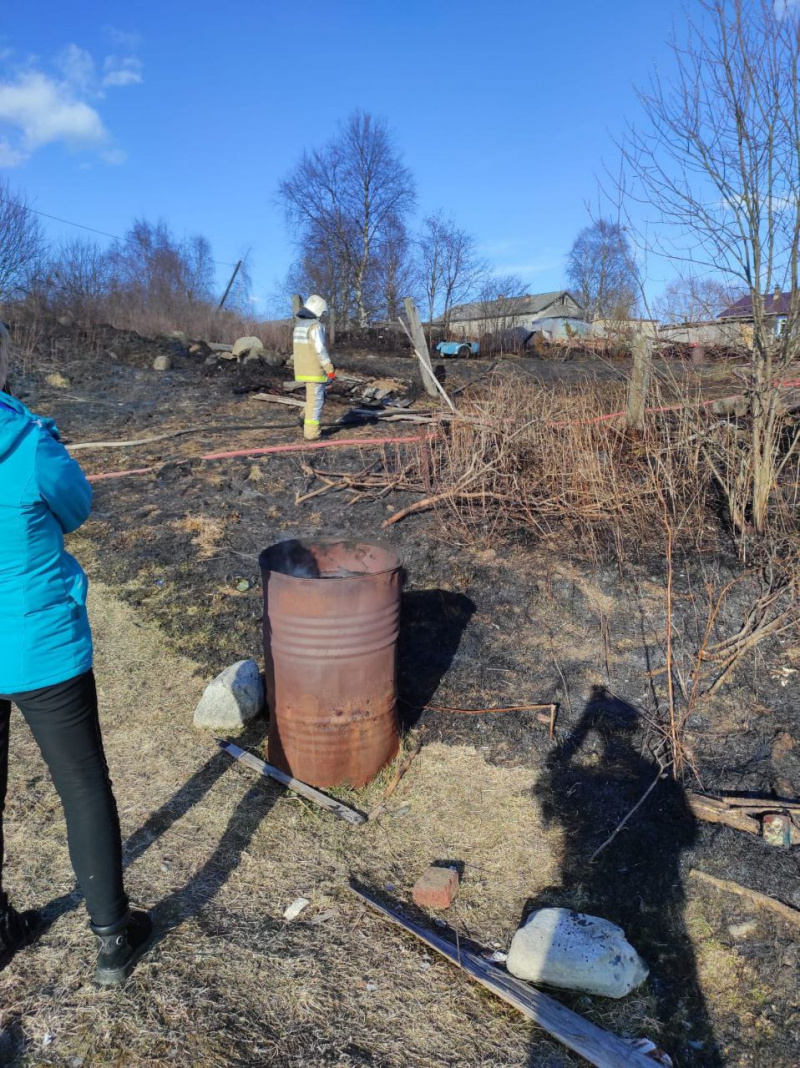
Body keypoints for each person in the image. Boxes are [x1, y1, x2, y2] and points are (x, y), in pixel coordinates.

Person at [0, 322, 151, 986]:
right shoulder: (30, 445)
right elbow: (79, 506)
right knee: (84, 788)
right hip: (41, 650)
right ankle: (112, 937)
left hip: (35, 646)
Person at [292, 295, 335, 440]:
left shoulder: (299, 326)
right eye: (322, 313)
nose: (322, 316)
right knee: (316, 402)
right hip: (314, 371)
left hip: (302, 369)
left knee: (315, 397)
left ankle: (303, 417)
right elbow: (320, 350)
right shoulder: (315, 327)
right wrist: (329, 369)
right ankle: (312, 433)